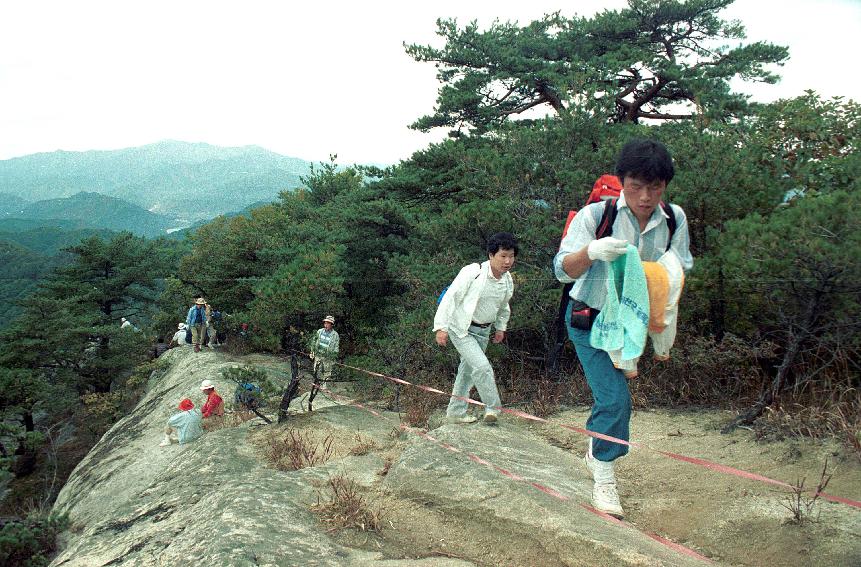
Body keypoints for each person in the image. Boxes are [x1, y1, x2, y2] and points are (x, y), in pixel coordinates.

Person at [553, 139, 693, 518]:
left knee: (611, 399)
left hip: (631, 324)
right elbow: (561, 269)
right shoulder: (595, 216)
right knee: (615, 400)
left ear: (665, 185)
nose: (645, 197)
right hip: (589, 319)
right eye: (635, 186)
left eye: (655, 187)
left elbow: (680, 267)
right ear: (622, 181)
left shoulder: (674, 219)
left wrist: (652, 275)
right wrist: (593, 252)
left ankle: (597, 449)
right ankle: (603, 469)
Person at [433, 232, 517, 426]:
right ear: (491, 255)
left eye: (511, 256)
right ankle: (493, 409)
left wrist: (500, 327)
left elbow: (504, 306)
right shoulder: (474, 272)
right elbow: (451, 297)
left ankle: (455, 412)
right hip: (462, 329)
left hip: (484, 331)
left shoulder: (507, 279)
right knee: (482, 367)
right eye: (503, 256)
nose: (507, 261)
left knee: (467, 372)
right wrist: (441, 327)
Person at [310, 315, 340, 381]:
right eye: (325, 323)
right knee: (317, 370)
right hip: (318, 355)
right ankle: (317, 383)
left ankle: (324, 386)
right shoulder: (319, 331)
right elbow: (313, 342)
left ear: (332, 324)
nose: (326, 325)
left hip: (328, 357)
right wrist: (312, 352)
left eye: (328, 323)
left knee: (327, 372)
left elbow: (336, 348)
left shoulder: (335, 335)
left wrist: (333, 357)